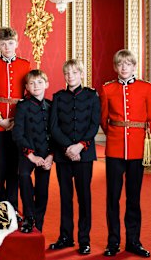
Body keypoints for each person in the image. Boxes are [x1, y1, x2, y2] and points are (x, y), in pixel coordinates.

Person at [100, 49, 151, 258]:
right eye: (120, 64)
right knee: (112, 198)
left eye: (128, 64)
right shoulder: (108, 89)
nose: (124, 68)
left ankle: (134, 241)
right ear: (116, 67)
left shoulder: (146, 88)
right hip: (115, 149)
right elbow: (104, 118)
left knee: (133, 198)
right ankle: (113, 242)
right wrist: (116, 134)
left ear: (134, 66)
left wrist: (136, 136)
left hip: (136, 150)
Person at [49, 59, 100, 255]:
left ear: (81, 74)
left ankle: (84, 240)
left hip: (84, 155)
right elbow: (53, 127)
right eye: (67, 73)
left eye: (74, 73)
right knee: (65, 197)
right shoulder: (58, 97)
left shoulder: (91, 96)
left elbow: (94, 125)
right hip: (63, 156)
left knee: (84, 198)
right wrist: (68, 148)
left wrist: (79, 147)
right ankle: (65, 237)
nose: (70, 76)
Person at [0, 27, 30, 210]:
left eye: (10, 43)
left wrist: (17, 120)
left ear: (16, 43)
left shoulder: (25, 65)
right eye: (3, 44)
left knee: (15, 163)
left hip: (17, 124)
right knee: (1, 162)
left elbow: (28, 95)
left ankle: (12, 203)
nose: (7, 47)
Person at [12, 69, 53, 234]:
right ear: (27, 87)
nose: (36, 86)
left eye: (40, 82)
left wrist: (51, 156)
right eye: (32, 83)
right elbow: (17, 133)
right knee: (23, 176)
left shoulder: (51, 106)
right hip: (27, 152)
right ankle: (29, 217)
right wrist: (31, 155)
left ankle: (39, 219)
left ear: (46, 84)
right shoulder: (22, 106)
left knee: (43, 187)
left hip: (45, 154)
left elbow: (55, 133)